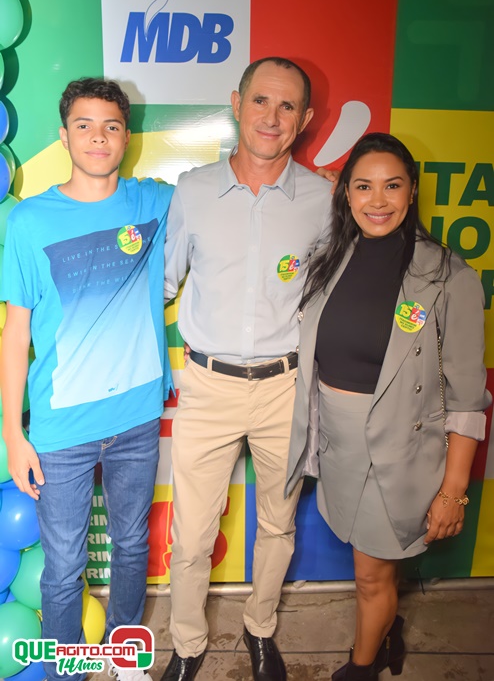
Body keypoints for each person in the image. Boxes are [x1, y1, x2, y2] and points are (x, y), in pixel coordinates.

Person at [285, 132, 492, 680]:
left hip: (400, 454)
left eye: (392, 186)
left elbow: (467, 401)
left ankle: (363, 666)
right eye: (363, 187)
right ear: (346, 194)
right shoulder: (330, 258)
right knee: (372, 567)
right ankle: (388, 628)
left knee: (370, 576)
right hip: (338, 448)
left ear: (413, 190)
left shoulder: (450, 277)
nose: (377, 201)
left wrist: (453, 492)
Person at [162, 57, 334, 681]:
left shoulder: (324, 199)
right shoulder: (191, 191)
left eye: (288, 106)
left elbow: (335, 292)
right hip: (207, 386)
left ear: (305, 119)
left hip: (286, 388)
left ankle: (260, 628)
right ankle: (187, 644)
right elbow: (162, 283)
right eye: (261, 100)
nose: (272, 117)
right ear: (237, 103)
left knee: (277, 527)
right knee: (191, 537)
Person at [0, 78, 174, 681]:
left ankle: (125, 656)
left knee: (131, 547)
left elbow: (227, 192)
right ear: (64, 134)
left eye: (111, 126)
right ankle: (67, 671)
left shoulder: (155, 203)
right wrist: (14, 435)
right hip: (61, 431)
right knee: (63, 567)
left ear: (126, 136)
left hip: (136, 420)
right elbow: (15, 335)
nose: (98, 137)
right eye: (84, 125)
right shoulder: (30, 221)